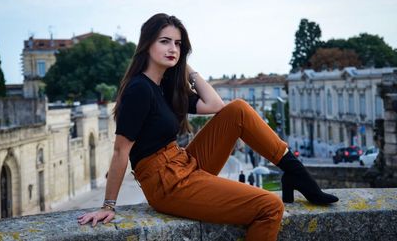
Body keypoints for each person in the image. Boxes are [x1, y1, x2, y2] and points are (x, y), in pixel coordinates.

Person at [77, 13, 338, 241]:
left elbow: (215, 104)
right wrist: (108, 205)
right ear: (146, 45)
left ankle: (296, 173)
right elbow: (121, 151)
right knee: (270, 206)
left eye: (178, 44)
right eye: (164, 41)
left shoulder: (166, 86)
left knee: (238, 110)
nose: (173, 49)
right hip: (166, 184)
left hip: (183, 163)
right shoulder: (139, 89)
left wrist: (187, 69)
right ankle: (297, 178)